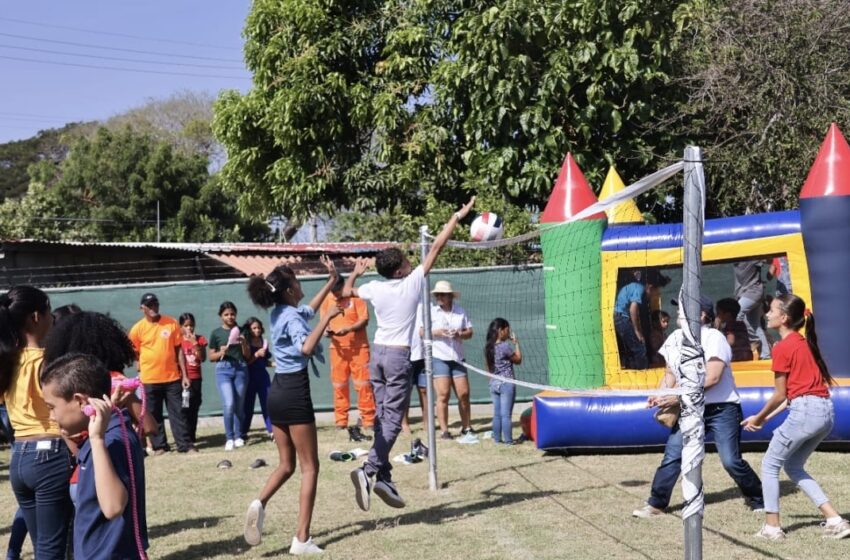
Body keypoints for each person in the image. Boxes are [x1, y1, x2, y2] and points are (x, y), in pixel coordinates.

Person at [343, 196, 475, 512]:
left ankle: (385, 478)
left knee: (381, 417)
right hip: (399, 356)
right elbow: (438, 246)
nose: (410, 263)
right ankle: (369, 470)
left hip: (377, 354)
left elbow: (347, 292)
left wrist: (356, 273)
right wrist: (457, 215)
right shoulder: (411, 283)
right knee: (391, 419)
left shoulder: (376, 287)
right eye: (406, 261)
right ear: (401, 269)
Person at [242, 255, 341, 555]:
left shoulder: (280, 313)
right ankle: (301, 539)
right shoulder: (291, 317)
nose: (300, 285)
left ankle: (259, 502)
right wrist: (328, 317)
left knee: (286, 465)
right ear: (288, 290)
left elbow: (306, 312)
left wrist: (332, 281)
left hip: (277, 393)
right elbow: (307, 346)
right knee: (310, 468)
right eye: (297, 282)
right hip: (295, 392)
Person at [633, 296, 764, 518]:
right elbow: (670, 373)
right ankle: (656, 504)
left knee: (731, 460)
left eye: (683, 308)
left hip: (722, 408)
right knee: (673, 456)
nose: (677, 312)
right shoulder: (675, 338)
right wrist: (660, 394)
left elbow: (713, 378)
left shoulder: (713, 337)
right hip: (689, 407)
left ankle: (759, 497)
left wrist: (677, 398)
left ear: (701, 314)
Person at [742, 295, 850, 540]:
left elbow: (781, 394)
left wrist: (758, 417)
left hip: (806, 412)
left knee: (770, 465)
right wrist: (765, 419)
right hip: (824, 412)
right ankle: (835, 520)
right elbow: (795, 394)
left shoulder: (782, 347)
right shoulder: (803, 343)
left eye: (771, 311)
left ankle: (772, 528)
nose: (767, 314)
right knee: (792, 465)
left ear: (784, 318)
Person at [41, 353, 149, 559]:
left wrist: (97, 440)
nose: (51, 416)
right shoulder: (114, 430)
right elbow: (91, 467)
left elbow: (113, 507)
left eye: (52, 408)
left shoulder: (107, 441)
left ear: (82, 402)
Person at [0, 286, 72, 560]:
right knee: (54, 548)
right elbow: (61, 413)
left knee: (43, 545)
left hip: (19, 458)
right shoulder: (48, 360)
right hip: (50, 454)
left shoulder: (8, 360)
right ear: (35, 317)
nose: (53, 318)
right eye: (48, 311)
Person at [128, 293, 194, 454]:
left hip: (172, 378)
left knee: (178, 412)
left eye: (155, 304)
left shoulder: (171, 323)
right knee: (154, 414)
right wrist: (143, 364)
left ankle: (184, 445)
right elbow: (134, 351)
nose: (153, 308)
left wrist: (184, 375)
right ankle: (159, 446)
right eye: (149, 305)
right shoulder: (137, 329)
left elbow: (179, 350)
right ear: (142, 308)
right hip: (149, 379)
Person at [320, 275, 375, 435]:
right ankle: (341, 421)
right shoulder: (327, 299)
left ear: (344, 286)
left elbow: (364, 319)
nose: (335, 294)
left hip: (359, 348)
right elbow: (323, 322)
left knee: (363, 385)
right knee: (339, 385)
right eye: (333, 291)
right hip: (337, 350)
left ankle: (368, 420)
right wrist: (326, 331)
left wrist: (349, 329)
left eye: (337, 291)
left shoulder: (356, 297)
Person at [421, 280, 475, 441]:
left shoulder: (460, 311)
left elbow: (470, 332)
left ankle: (466, 427)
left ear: (450, 296)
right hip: (439, 358)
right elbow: (421, 332)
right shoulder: (430, 311)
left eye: (442, 294)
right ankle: (444, 431)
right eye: (437, 294)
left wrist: (460, 334)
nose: (439, 296)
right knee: (443, 394)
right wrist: (437, 332)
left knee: (464, 394)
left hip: (458, 358)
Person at [208, 301, 251, 450]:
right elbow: (210, 356)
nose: (230, 317)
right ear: (221, 316)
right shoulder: (216, 333)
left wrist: (244, 344)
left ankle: (238, 436)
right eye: (226, 314)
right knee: (229, 403)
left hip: (241, 368)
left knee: (239, 404)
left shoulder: (242, 331)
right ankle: (229, 437)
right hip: (223, 369)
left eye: (232, 314)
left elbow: (247, 355)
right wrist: (221, 352)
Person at [613, 269, 670, 369]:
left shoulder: (635, 286)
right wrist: (637, 331)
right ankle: (642, 372)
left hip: (619, 317)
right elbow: (633, 309)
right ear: (650, 287)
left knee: (630, 348)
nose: (652, 295)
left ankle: (632, 368)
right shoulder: (639, 289)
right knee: (640, 348)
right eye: (653, 292)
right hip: (621, 318)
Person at [485, 318, 522, 445]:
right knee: (506, 415)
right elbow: (518, 360)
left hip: (494, 383)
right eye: (507, 330)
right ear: (501, 331)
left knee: (497, 414)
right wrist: (516, 343)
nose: (509, 332)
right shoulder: (505, 346)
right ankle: (508, 441)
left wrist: (491, 381)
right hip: (506, 383)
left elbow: (488, 367)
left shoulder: (489, 347)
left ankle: (497, 440)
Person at [243, 317, 273, 441]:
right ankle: (243, 432)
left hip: (263, 377)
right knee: (247, 406)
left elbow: (265, 362)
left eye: (259, 328)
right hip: (249, 377)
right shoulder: (246, 343)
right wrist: (256, 355)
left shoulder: (263, 342)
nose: (257, 330)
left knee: (268, 403)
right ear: (249, 330)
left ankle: (272, 431)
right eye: (254, 328)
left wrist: (276, 364)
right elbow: (246, 362)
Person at [734, 260, 771, 359]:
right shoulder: (735, 256)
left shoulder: (751, 256)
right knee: (755, 325)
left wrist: (773, 263)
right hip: (745, 293)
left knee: (737, 313)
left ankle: (754, 340)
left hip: (754, 291)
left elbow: (769, 259)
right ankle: (766, 355)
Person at [179, 313, 207, 444]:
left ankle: (192, 434)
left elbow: (202, 358)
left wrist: (195, 343)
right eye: (186, 325)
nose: (189, 328)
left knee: (195, 406)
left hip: (196, 378)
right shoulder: (178, 340)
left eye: (191, 325)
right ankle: (186, 436)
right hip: (183, 379)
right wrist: (184, 376)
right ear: (181, 327)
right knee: (185, 406)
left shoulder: (200, 339)